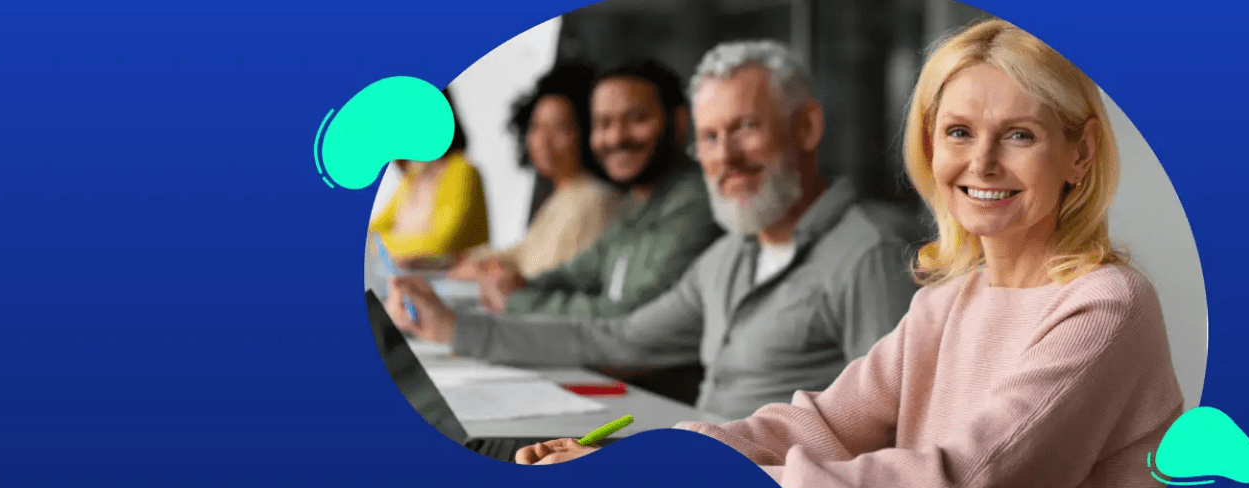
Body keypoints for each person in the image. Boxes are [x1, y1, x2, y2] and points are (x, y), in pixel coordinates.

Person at [514, 20, 1186, 488]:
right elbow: (819, 425)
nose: (980, 162)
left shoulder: (1107, 307)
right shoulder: (948, 301)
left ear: (1081, 153)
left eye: (1019, 135)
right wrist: (645, 459)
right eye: (958, 132)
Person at [385, 40, 925, 421]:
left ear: (806, 127)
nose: (724, 157)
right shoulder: (734, 255)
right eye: (711, 138)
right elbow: (618, 336)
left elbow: (887, 434)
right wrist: (455, 329)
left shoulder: (868, 255)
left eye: (746, 128)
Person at [465, 60, 723, 319]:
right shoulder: (637, 202)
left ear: (680, 122)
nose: (615, 138)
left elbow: (638, 316)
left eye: (636, 119)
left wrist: (517, 301)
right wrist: (516, 285)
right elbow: (579, 273)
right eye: (603, 124)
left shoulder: (696, 203)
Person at [449, 62, 624, 294]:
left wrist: (489, 270)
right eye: (537, 127)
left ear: (588, 131)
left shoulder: (592, 200)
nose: (544, 140)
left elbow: (548, 280)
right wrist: (475, 261)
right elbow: (524, 252)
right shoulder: (563, 195)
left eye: (560, 128)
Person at [367, 88, 489, 270]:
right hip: (416, 283)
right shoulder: (415, 175)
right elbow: (369, 235)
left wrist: (382, 246)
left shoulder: (462, 171)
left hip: (456, 290)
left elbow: (438, 246)